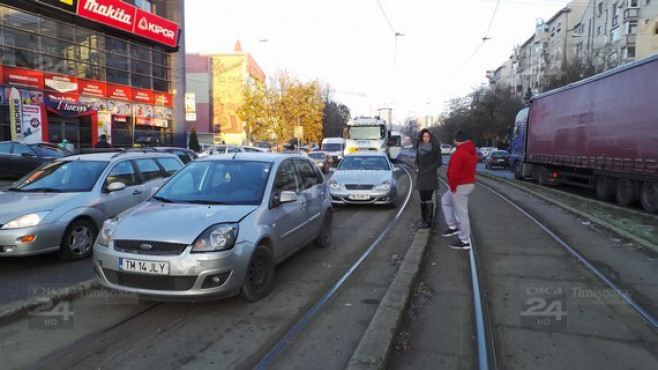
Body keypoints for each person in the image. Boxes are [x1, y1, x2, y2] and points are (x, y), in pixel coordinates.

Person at [441, 129, 478, 249]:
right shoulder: (470, 151)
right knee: (445, 201)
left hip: (460, 185)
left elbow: (454, 172)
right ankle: (453, 226)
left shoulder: (460, 153)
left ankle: (465, 240)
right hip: (466, 183)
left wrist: (452, 187)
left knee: (461, 213)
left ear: (456, 140)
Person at [415, 129, 442, 229]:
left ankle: (429, 221)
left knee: (428, 197)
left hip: (430, 174)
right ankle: (423, 219)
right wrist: (417, 168)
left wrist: (430, 168)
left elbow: (439, 162)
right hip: (421, 174)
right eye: (424, 136)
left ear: (430, 137)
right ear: (421, 137)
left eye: (427, 136)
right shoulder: (419, 147)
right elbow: (416, 160)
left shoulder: (435, 148)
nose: (425, 138)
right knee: (422, 198)